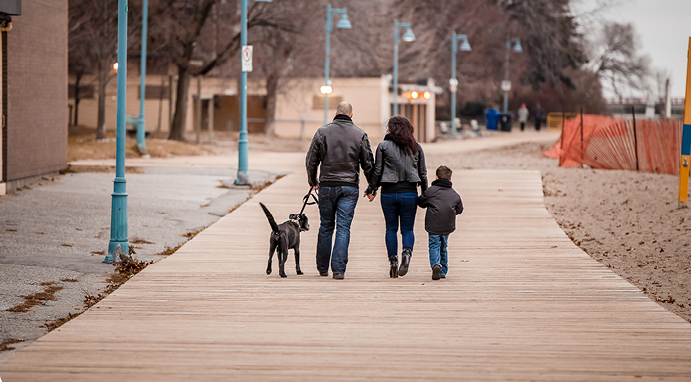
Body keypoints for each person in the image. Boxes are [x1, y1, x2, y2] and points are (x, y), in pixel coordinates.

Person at [306, 101, 374, 280]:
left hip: (326, 185)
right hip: (349, 187)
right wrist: (372, 186)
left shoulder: (322, 132)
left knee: (326, 225)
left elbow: (311, 160)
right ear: (351, 115)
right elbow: (368, 164)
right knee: (343, 227)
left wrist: (313, 181)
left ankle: (322, 268)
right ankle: (338, 270)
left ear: (335, 113)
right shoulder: (360, 134)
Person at [365, 116, 428, 278]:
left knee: (391, 228)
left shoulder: (383, 146)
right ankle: (406, 255)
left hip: (389, 193)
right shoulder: (417, 147)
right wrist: (425, 195)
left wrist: (372, 188)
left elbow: (377, 171)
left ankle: (393, 262)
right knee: (407, 229)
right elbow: (423, 174)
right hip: (410, 193)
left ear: (391, 129)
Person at [417, 165, 464, 280]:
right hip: (447, 225)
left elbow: (420, 202)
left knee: (434, 245)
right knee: (443, 246)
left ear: (436, 177)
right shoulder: (455, 194)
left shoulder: (431, 191)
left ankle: (435, 265)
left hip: (433, 224)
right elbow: (460, 210)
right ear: (450, 179)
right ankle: (443, 270)